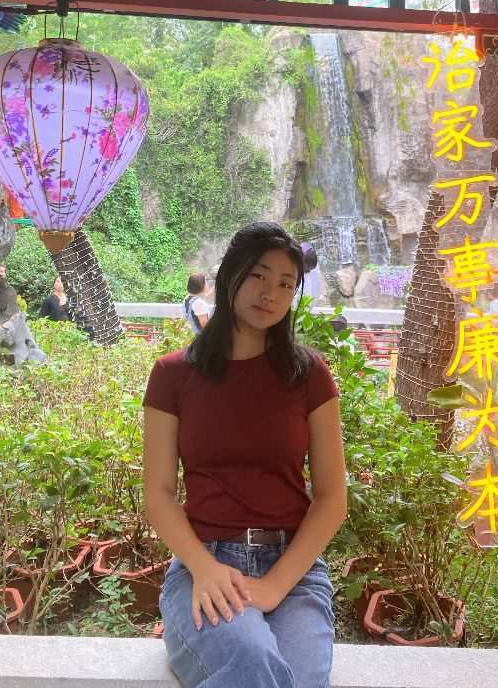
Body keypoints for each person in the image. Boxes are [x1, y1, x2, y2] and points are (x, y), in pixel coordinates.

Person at [143, 222, 347, 688]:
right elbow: (158, 494)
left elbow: (333, 497)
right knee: (256, 666)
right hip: (205, 564)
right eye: (259, 275)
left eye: (285, 284)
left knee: (293, 677)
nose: (269, 293)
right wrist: (204, 567)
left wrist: (275, 586)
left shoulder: (309, 374)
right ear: (231, 273)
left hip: (293, 570)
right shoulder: (173, 375)